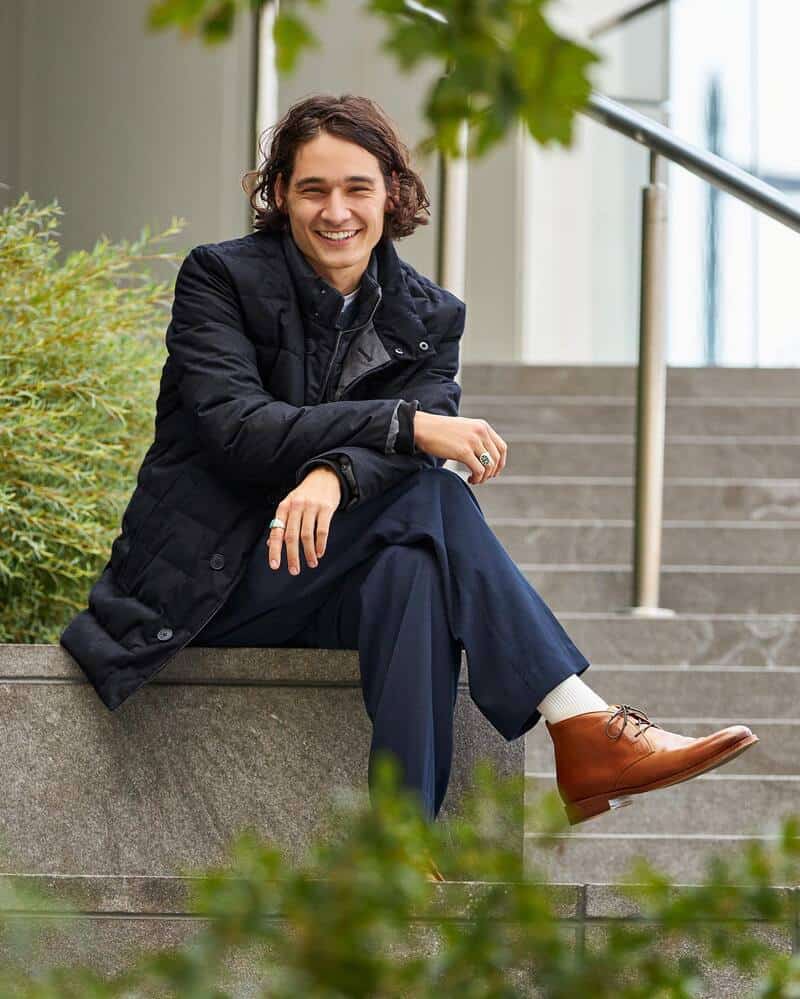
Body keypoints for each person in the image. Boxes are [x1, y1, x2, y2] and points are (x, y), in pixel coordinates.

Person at [60, 94, 758, 883]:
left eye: (357, 188)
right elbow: (240, 428)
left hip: (333, 577)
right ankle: (580, 723)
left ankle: (396, 848)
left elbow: (401, 467)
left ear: (392, 193)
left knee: (418, 564)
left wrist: (332, 473)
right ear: (279, 193)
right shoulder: (218, 279)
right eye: (312, 189)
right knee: (436, 500)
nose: (336, 212)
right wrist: (405, 425)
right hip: (214, 583)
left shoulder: (430, 315)